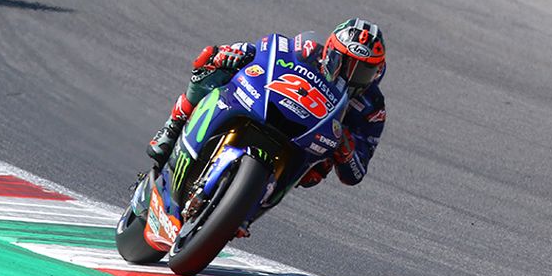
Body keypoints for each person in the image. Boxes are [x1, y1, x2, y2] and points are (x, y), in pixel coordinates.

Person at [146, 18, 387, 189]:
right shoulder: (310, 50)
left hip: (308, 146)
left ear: (377, 72)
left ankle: (252, 201)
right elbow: (267, 52)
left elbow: (356, 173)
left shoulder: (372, 107)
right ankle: (173, 127)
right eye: (346, 62)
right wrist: (238, 52)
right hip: (271, 104)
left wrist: (347, 149)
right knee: (211, 58)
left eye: (363, 71)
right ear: (331, 52)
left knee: (313, 175)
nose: (351, 75)